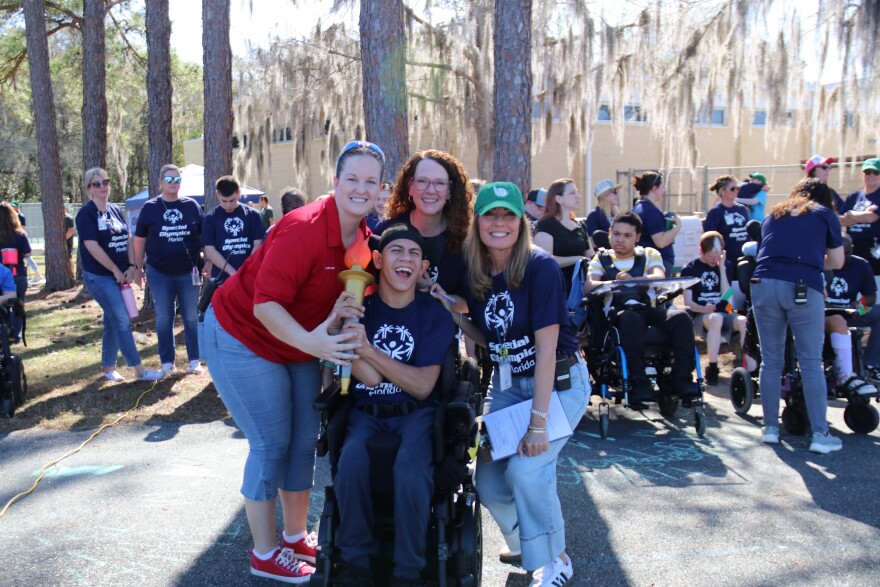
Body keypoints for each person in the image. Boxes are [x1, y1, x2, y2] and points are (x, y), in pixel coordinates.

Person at [202, 139, 385, 584]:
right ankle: (263, 553)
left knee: (304, 441)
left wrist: (328, 337)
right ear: (336, 181)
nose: (361, 188)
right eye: (352, 178)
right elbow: (265, 306)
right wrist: (317, 346)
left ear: (380, 190)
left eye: (371, 182)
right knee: (270, 443)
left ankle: (294, 535)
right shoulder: (302, 227)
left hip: (300, 343)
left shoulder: (362, 236)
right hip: (241, 334)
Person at [434, 182, 589, 587]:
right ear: (478, 222)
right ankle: (527, 542)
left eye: (508, 215)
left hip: (556, 384)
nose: (499, 223)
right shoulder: (477, 271)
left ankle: (555, 561)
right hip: (506, 385)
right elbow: (491, 338)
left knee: (526, 472)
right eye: (490, 215)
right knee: (487, 481)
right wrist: (451, 311)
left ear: (522, 222)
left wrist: (538, 424)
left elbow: (545, 350)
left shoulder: (540, 268)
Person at [333, 224, 455, 587]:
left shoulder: (433, 315)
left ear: (422, 266)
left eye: (414, 254)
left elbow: (421, 386)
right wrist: (341, 325)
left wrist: (369, 350)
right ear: (378, 259)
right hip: (365, 412)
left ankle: (408, 572)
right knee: (351, 462)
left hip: (416, 415)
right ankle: (356, 565)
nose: (406, 259)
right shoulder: (360, 309)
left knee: (411, 473)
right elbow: (367, 380)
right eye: (397, 251)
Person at [751, 178, 844, 454]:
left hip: (763, 284)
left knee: (771, 361)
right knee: (811, 362)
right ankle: (820, 434)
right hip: (803, 286)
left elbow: (765, 252)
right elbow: (837, 261)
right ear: (824, 197)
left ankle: (770, 428)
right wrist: (815, 259)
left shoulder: (774, 215)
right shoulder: (825, 214)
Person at [584, 211, 697, 403]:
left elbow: (658, 277)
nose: (620, 240)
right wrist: (613, 283)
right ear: (610, 232)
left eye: (627, 236)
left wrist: (632, 280)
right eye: (617, 234)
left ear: (637, 237)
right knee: (630, 319)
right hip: (619, 313)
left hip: (648, 308)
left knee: (682, 318)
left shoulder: (650, 254)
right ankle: (639, 381)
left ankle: (682, 378)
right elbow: (589, 286)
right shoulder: (601, 259)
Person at [76, 168, 164, 382]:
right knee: (122, 320)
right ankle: (139, 371)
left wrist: (132, 266)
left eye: (105, 182)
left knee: (112, 321)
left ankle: (108, 368)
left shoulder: (115, 209)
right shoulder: (86, 214)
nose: (102, 186)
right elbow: (92, 247)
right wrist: (114, 270)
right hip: (99, 276)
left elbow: (127, 238)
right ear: (89, 189)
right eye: (96, 184)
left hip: (121, 274)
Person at [133, 164, 204, 375]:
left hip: (188, 272)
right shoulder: (150, 207)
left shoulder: (191, 206)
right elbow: (139, 241)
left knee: (191, 316)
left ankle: (194, 360)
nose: (173, 184)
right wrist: (137, 268)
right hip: (159, 272)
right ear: (160, 182)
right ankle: (167, 361)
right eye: (169, 180)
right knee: (164, 317)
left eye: (177, 180)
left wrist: (206, 261)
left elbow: (203, 238)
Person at [375, 149, 473, 296]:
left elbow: (467, 303)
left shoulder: (465, 239)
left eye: (439, 183)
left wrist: (435, 295)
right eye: (422, 181)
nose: (430, 190)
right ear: (410, 186)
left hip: (444, 319)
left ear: (450, 191)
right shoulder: (386, 231)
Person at [680, 231, 750, 385]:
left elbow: (727, 296)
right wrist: (702, 308)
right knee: (716, 318)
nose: (715, 260)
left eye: (718, 256)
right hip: (701, 316)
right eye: (711, 256)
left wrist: (723, 269)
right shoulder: (690, 269)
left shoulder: (725, 266)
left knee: (744, 321)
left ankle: (749, 369)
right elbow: (688, 301)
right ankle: (712, 367)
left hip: (723, 313)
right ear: (701, 251)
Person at [824, 233, 880, 393]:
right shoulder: (821, 262)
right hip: (824, 312)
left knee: (878, 313)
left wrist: (859, 305)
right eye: (840, 252)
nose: (843, 257)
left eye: (847, 253)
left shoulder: (861, 264)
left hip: (850, 311)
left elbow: (871, 297)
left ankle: (871, 365)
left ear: (852, 250)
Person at [534, 179, 593, 295]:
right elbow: (545, 260)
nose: (578, 196)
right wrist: (577, 259)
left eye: (577, 192)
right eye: (572, 193)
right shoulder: (546, 224)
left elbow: (591, 256)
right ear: (558, 199)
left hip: (579, 290)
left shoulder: (580, 226)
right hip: (555, 289)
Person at [202, 176, 265, 282]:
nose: (228, 205)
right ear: (218, 194)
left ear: (239, 193)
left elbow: (258, 244)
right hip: (222, 277)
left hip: (249, 274)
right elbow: (210, 250)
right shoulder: (210, 218)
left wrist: (246, 269)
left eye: (232, 200)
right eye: (224, 201)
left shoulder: (253, 215)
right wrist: (233, 273)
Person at [632, 170, 680, 277]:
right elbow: (661, 242)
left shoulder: (638, 207)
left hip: (645, 261)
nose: (664, 190)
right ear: (654, 189)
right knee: (659, 293)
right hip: (657, 263)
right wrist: (678, 227)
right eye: (662, 187)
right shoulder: (650, 210)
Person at [839, 158, 880, 279]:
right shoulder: (854, 196)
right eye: (868, 172)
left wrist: (850, 214)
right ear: (862, 174)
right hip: (852, 246)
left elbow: (871, 218)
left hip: (873, 247)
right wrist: (862, 214)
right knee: (853, 280)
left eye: (876, 172)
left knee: (875, 283)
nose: (871, 175)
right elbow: (841, 220)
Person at [703, 175, 751, 273]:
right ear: (722, 191)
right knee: (730, 288)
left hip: (744, 259)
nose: (736, 191)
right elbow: (710, 239)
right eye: (732, 189)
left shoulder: (742, 209)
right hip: (727, 261)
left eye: (738, 188)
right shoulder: (716, 212)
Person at [0, 202, 34, 303]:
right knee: (17, 309)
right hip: (18, 274)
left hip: (1, 275)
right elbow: (27, 253)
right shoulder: (20, 234)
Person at [11, 199, 43, 283]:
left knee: (28, 257)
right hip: (16, 238)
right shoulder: (11, 216)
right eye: (12, 206)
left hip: (20, 238)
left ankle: (37, 274)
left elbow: (23, 228)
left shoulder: (20, 216)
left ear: (17, 207)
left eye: (14, 206)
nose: (12, 207)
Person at [585, 178, 621, 248]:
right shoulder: (594, 215)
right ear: (605, 195)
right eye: (614, 192)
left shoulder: (614, 214)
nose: (617, 195)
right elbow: (591, 243)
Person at [64, 210, 76, 275]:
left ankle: (72, 274)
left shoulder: (68, 218)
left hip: (67, 242)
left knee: (68, 258)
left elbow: (71, 230)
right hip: (64, 241)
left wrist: (63, 240)